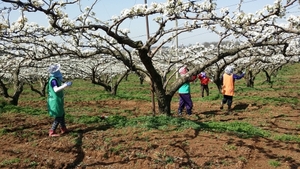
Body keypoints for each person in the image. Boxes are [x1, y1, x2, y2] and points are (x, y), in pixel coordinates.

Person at [47, 64, 72, 137]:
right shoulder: (53, 80)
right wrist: (65, 85)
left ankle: (63, 128)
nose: (59, 72)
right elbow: (56, 89)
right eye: (58, 70)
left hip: (58, 99)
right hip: (55, 100)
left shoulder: (56, 79)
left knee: (62, 113)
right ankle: (52, 131)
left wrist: (64, 84)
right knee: (58, 115)